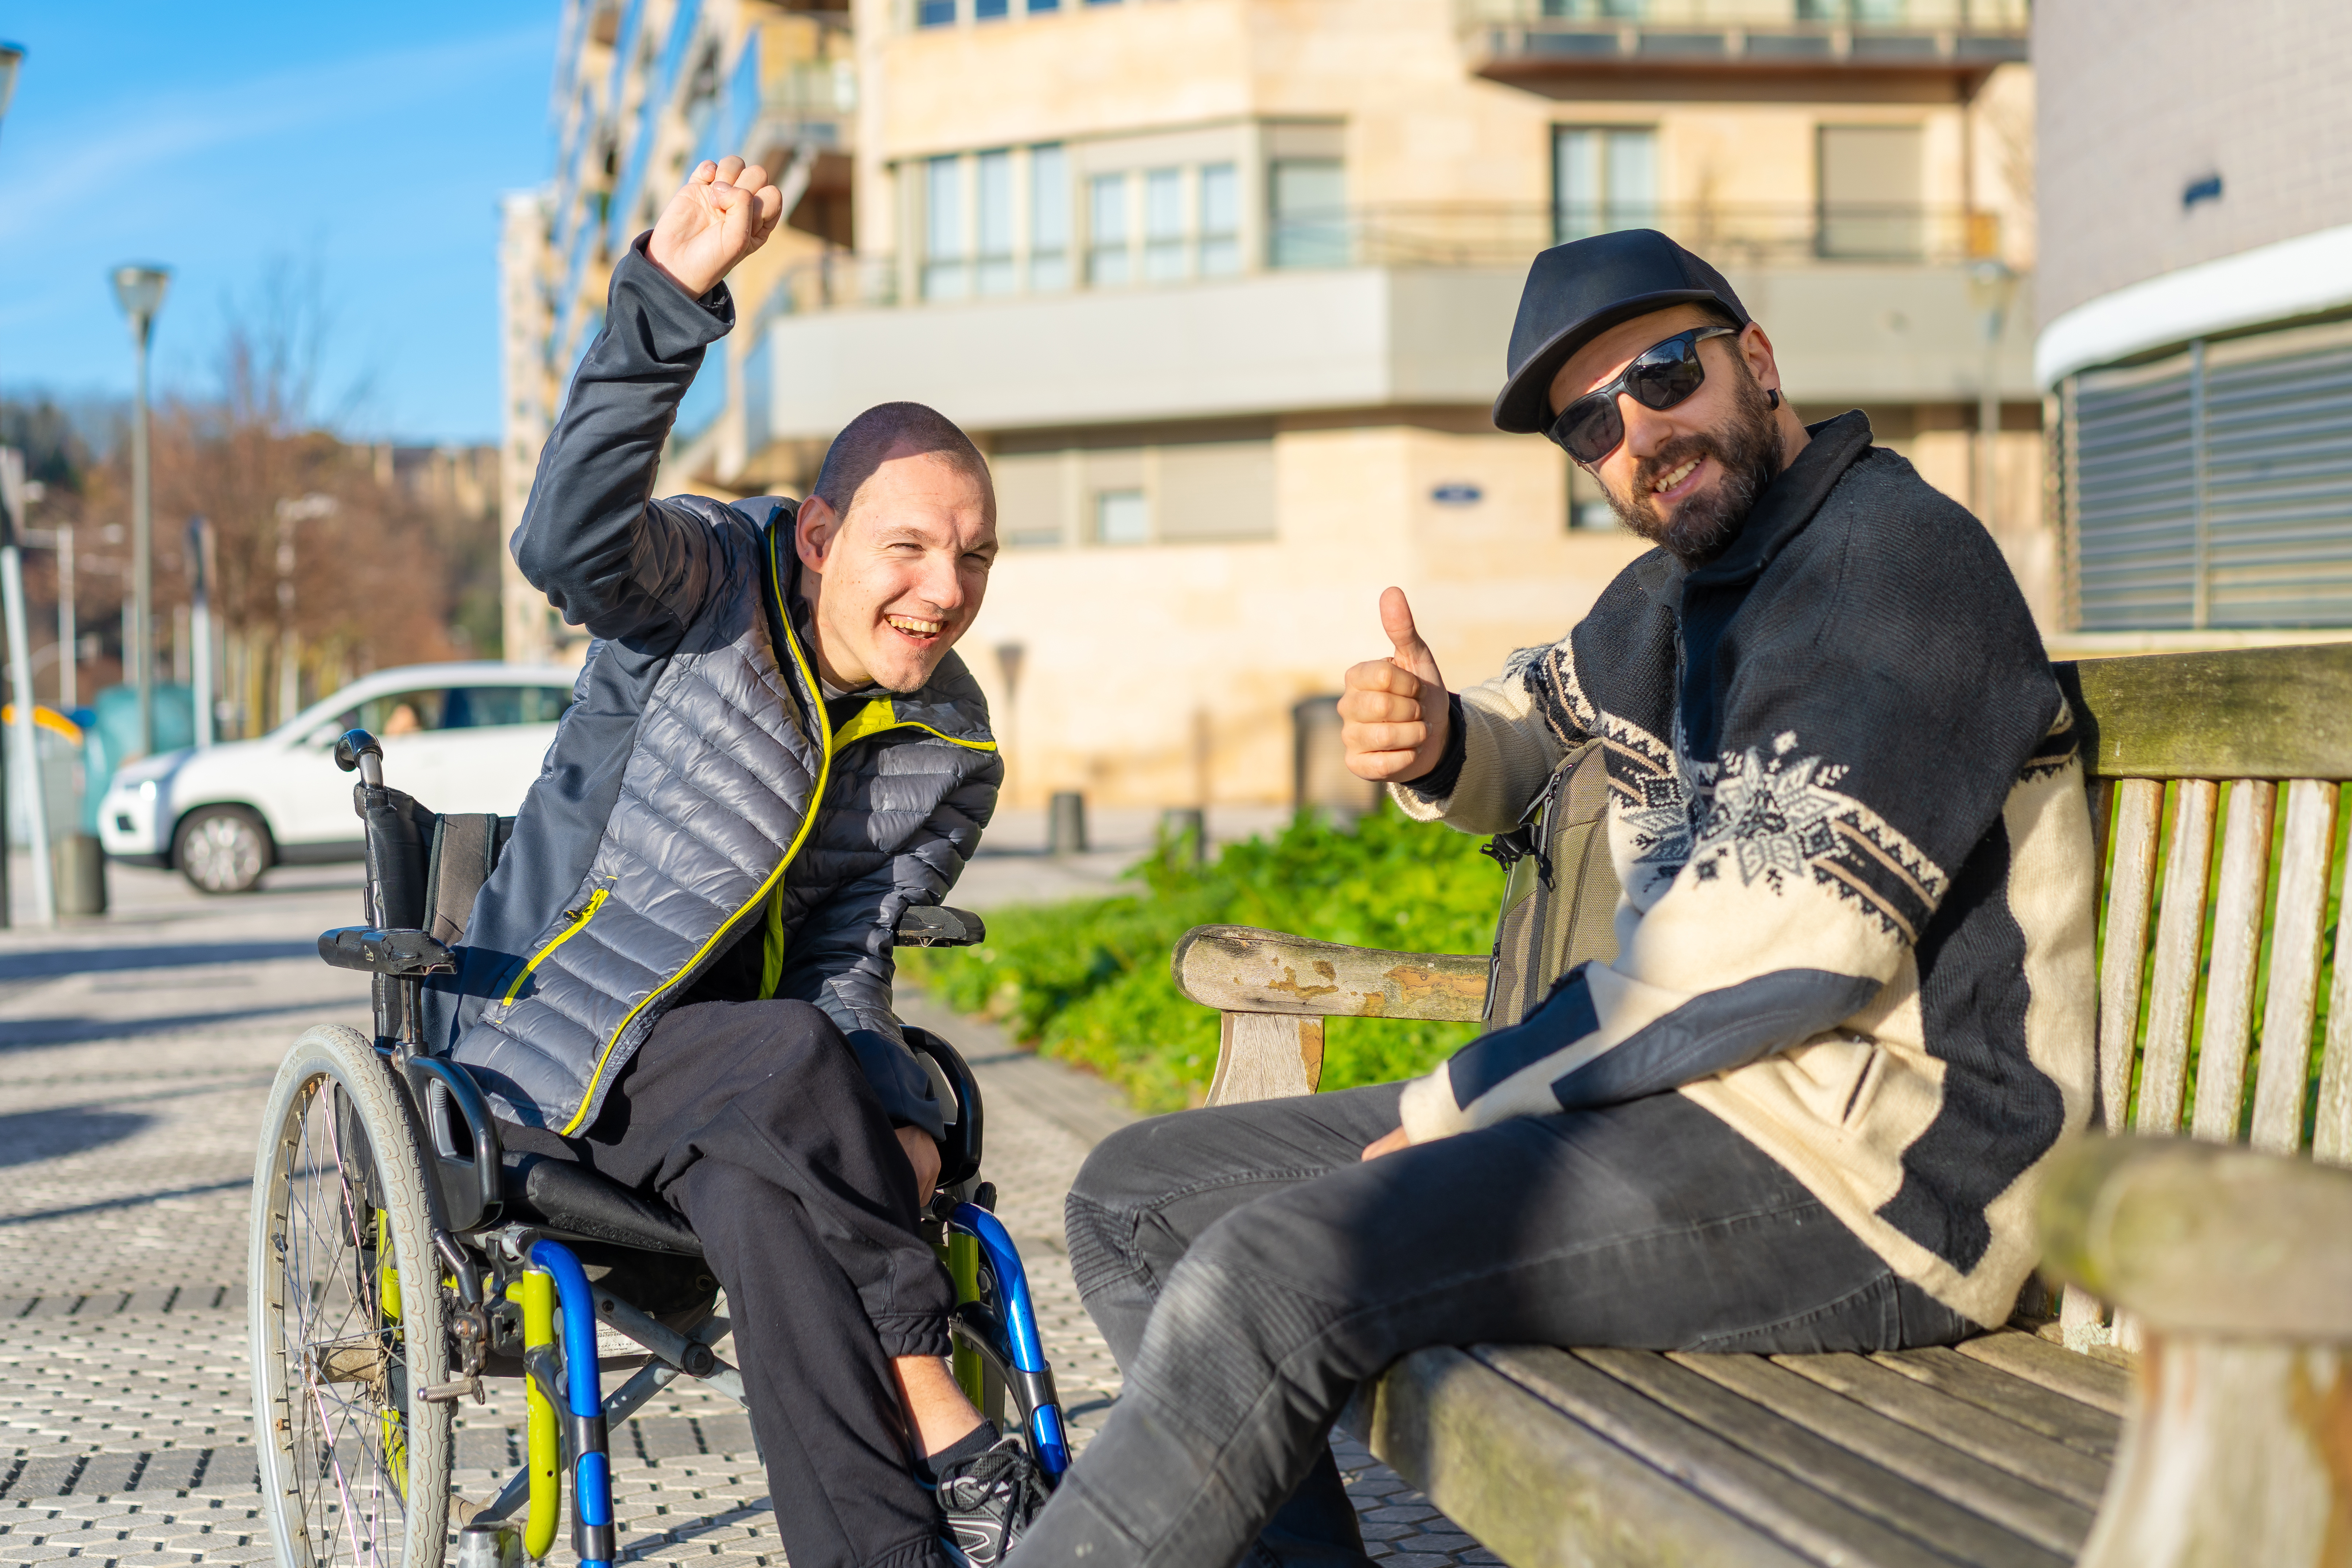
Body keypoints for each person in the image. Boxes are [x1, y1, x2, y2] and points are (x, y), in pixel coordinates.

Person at [1013, 229, 2097, 1568]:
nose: (1638, 429)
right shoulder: (1673, 593)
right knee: (1138, 1196)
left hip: (1881, 1176)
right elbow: (1537, 731)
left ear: (1756, 361)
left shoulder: (1892, 567)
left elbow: (1775, 960)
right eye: (1592, 422)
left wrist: (1452, 1107)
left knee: (1274, 1270)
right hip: (1698, 1109)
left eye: (1663, 373)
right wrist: (1439, 741)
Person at [427, 157, 1044, 1568]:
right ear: (820, 536)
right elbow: (564, 538)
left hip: (752, 1107)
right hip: (560, 1053)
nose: (944, 590)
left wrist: (882, 1106)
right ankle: (944, 1408)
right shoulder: (702, 582)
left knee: (779, 1191)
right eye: (907, 546)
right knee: (779, 1069)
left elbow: (851, 960)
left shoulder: (951, 741)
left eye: (976, 558)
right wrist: (674, 295)